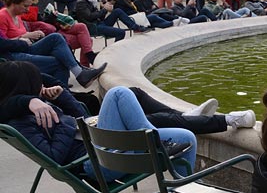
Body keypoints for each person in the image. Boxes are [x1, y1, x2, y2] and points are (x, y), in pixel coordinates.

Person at [0, 61, 196, 178]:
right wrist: (64, 124)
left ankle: (184, 188)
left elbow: (83, 117)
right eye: (38, 82)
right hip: (96, 163)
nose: (43, 85)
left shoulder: (40, 105)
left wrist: (61, 97)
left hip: (100, 148)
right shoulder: (21, 123)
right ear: (27, 85)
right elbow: (53, 158)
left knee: (187, 137)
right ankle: (155, 142)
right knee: (118, 93)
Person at [0, 0, 106, 87]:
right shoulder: (2, 16)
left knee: (57, 38)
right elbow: (4, 44)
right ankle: (71, 85)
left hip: (25, 48)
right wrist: (24, 37)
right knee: (59, 59)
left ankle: (76, 76)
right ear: (14, 2)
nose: (28, 10)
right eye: (25, 6)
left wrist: (31, 34)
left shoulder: (17, 16)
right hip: (14, 54)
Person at [75, 0, 148, 41]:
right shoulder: (81, 3)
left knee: (117, 11)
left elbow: (100, 17)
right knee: (121, 32)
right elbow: (89, 16)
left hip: (99, 23)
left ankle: (135, 27)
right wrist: (104, 10)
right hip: (92, 27)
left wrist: (104, 8)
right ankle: (115, 51)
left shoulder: (92, 1)